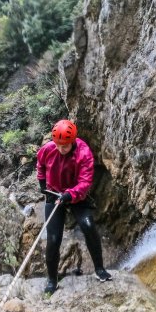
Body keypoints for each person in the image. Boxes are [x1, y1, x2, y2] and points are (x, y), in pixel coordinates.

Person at [36, 119, 112, 295]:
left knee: (88, 225)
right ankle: (52, 279)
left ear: (73, 141)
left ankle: (100, 269)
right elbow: (40, 165)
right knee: (53, 238)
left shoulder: (84, 153)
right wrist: (43, 186)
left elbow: (85, 183)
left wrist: (70, 195)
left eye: (65, 146)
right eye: (58, 145)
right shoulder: (48, 149)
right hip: (54, 195)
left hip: (76, 196)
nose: (61, 149)